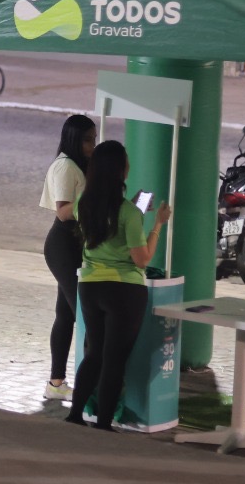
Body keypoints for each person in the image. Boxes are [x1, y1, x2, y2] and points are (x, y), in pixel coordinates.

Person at [65, 140, 170, 430]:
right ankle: (103, 423)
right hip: (124, 290)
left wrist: (135, 210)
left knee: (94, 353)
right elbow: (141, 259)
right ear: (121, 171)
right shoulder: (129, 213)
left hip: (90, 286)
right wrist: (158, 224)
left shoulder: (83, 205)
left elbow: (106, 222)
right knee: (114, 359)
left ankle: (75, 414)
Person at [39, 114, 97, 401]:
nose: (92, 146)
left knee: (65, 315)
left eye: (94, 139)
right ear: (74, 139)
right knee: (85, 316)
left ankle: (56, 383)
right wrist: (94, 203)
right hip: (63, 245)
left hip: (75, 244)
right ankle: (89, 387)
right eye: (87, 140)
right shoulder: (65, 166)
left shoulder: (78, 165)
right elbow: (63, 212)